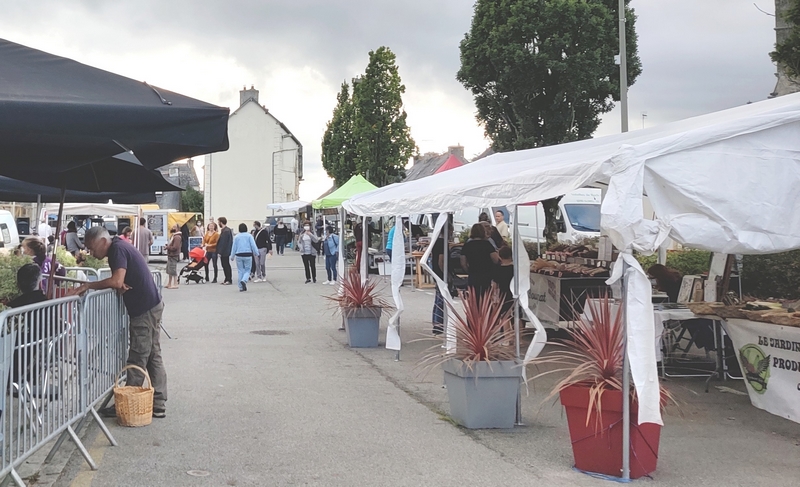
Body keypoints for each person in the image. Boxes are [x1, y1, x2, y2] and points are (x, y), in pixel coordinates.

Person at [68, 226, 168, 419]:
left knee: (138, 356)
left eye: (91, 248)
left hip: (144, 309)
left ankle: (129, 403)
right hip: (151, 305)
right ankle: (158, 403)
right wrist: (117, 282)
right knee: (153, 353)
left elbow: (116, 281)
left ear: (103, 242)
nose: (90, 252)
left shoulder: (116, 250)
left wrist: (89, 285)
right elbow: (119, 281)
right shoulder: (120, 247)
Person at [647, 264, 715, 352]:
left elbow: (674, 298)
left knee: (655, 322)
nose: (652, 280)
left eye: (652, 278)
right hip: (683, 309)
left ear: (658, 276)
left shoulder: (670, 283)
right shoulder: (674, 279)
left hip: (682, 312)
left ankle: (661, 349)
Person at [460, 223, 500, 300]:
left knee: (474, 298)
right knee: (485, 297)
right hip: (486, 274)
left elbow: (463, 263)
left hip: (473, 274)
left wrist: (468, 270)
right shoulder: (487, 244)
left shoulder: (467, 245)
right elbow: (495, 259)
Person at [431, 221, 453, 335]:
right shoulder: (442, 243)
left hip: (436, 272)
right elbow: (441, 260)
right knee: (441, 299)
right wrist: (446, 273)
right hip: (440, 274)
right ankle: (438, 324)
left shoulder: (436, 242)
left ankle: (437, 323)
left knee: (438, 298)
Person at [493, 245, 515, 333]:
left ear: (499, 256)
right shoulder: (515, 269)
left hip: (503, 295)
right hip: (515, 293)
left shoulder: (498, 270)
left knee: (505, 316)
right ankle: (519, 338)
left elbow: (495, 285)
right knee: (517, 316)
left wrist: (493, 296)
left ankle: (507, 338)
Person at [231, 223, 258, 292]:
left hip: (239, 254)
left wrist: (232, 256)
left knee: (240, 271)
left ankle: (240, 287)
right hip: (248, 254)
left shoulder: (236, 237)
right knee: (247, 270)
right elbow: (253, 245)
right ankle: (244, 280)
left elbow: (234, 247)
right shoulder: (249, 236)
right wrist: (256, 253)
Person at [217, 217, 234, 285]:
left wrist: (220, 252)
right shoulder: (226, 230)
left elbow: (223, 243)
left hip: (225, 251)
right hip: (226, 251)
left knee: (226, 265)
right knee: (225, 265)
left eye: (218, 222)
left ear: (221, 222)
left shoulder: (226, 231)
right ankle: (226, 278)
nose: (218, 223)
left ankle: (228, 279)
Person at [164, 224, 182, 289]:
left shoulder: (177, 237)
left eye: (174, 227)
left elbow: (175, 247)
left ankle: (175, 284)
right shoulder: (174, 236)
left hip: (173, 255)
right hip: (171, 255)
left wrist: (168, 247)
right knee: (169, 270)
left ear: (177, 228)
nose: (172, 228)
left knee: (173, 269)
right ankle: (169, 283)